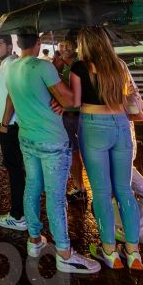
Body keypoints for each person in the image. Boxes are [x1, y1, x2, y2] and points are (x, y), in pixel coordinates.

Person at [2, 27, 100, 274]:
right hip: (52, 141)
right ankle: (64, 253)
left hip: (27, 137)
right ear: (37, 43)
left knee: (32, 188)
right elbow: (69, 101)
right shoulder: (43, 67)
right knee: (56, 197)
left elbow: (15, 99)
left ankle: (34, 240)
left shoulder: (11, 67)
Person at [69, 26, 143, 270]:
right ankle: (134, 253)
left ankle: (110, 252)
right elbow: (126, 98)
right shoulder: (119, 66)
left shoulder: (80, 68)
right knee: (124, 190)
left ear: (85, 44)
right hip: (121, 125)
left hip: (93, 126)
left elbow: (74, 101)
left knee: (102, 192)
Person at [0, 34, 27, 231]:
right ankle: (21, 212)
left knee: (15, 170)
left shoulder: (11, 63)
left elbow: (13, 93)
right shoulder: (6, 64)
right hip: (9, 124)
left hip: (11, 125)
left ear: (10, 46)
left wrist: (4, 122)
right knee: (15, 169)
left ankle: (18, 214)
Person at [57, 37, 86, 202]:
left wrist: (57, 78)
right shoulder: (67, 65)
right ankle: (79, 186)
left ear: (75, 46)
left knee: (76, 153)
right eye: (62, 44)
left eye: (68, 44)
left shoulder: (77, 65)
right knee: (75, 152)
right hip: (70, 115)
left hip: (75, 115)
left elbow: (72, 93)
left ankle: (80, 187)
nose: (64, 47)